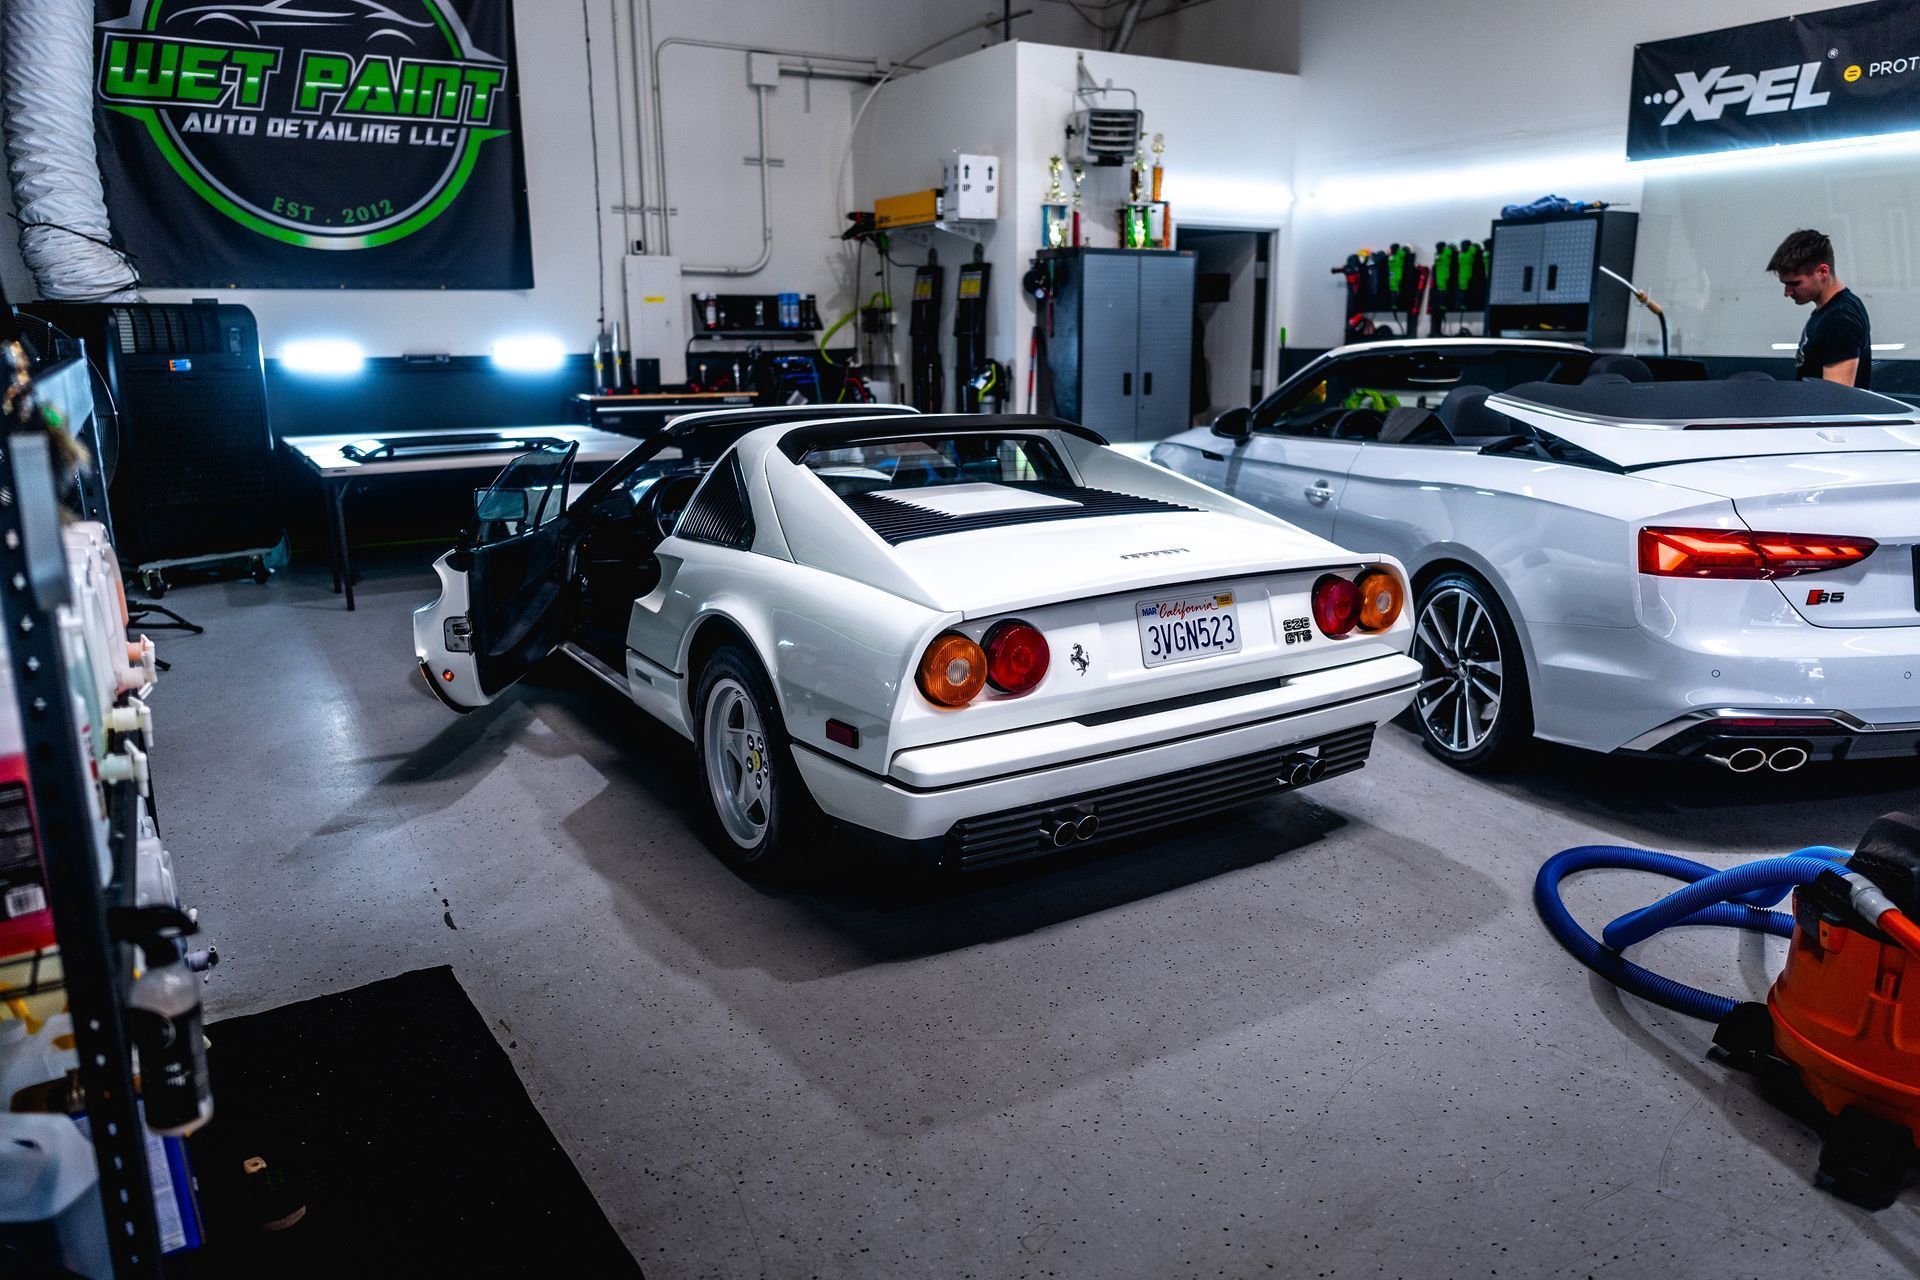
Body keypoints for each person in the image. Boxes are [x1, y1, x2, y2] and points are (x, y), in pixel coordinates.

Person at [1767, 229, 1871, 388]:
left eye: (1795, 283)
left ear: (1823, 271)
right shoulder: (1827, 313)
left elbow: (1835, 399)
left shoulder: (1839, 319)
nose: (1787, 292)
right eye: (1785, 284)